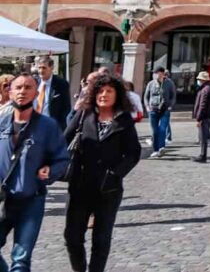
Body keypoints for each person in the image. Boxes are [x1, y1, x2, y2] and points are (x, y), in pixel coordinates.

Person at [63, 74, 141, 272]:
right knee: (72, 237)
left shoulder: (123, 120)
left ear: (117, 95)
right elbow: (63, 141)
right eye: (100, 91)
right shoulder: (84, 115)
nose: (103, 95)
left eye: (109, 91)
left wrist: (116, 174)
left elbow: (133, 153)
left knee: (101, 238)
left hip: (108, 189)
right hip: (80, 186)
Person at [0, 73, 70, 271]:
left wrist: (51, 170)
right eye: (18, 87)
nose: (22, 91)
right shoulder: (1, 123)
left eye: (28, 87)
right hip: (3, 199)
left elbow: (62, 158)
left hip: (32, 199)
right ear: (10, 92)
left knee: (21, 259)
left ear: (36, 93)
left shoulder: (47, 126)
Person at [144, 67, 176, 159]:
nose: (154, 75)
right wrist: (147, 107)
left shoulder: (169, 83)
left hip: (165, 110)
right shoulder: (151, 83)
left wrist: (170, 106)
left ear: (161, 73)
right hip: (153, 110)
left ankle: (161, 148)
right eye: (154, 73)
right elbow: (146, 96)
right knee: (155, 131)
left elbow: (173, 96)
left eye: (156, 73)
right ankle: (155, 150)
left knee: (162, 129)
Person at [191, 71, 210, 163]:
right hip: (209, 115)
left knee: (203, 137)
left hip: (204, 116)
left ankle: (203, 155)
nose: (198, 81)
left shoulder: (205, 89)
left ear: (202, 80)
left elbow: (202, 105)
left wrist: (199, 118)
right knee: (206, 134)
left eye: (199, 79)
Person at [34, 55, 71, 130]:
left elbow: (66, 107)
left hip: (50, 126)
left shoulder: (61, 84)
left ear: (51, 68)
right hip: (33, 124)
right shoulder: (34, 82)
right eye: (39, 68)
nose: (41, 71)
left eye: (44, 68)